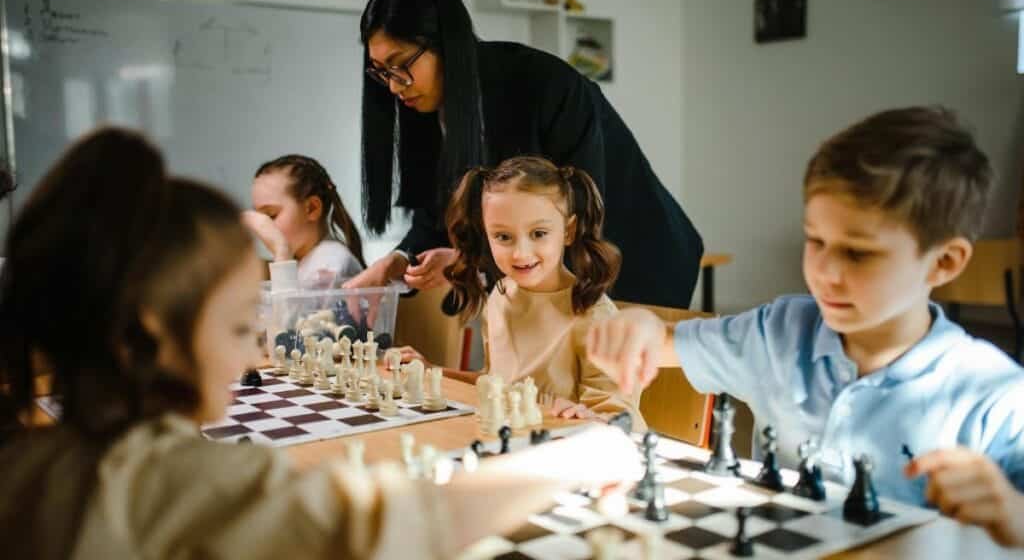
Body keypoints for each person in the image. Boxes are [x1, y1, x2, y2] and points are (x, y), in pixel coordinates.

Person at [0, 128, 641, 560]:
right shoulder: (179, 482)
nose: (259, 342)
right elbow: (384, 528)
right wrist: (582, 460)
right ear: (148, 338)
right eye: (239, 325)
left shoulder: (29, 463)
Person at [583, 107, 1024, 538]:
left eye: (858, 252)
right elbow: (663, 342)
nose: (824, 272)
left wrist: (1014, 513)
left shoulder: (995, 396)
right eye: (815, 240)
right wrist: (641, 328)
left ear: (944, 262)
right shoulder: (778, 333)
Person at [345, 0, 703, 309]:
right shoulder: (424, 108)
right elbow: (435, 211)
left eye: (400, 65)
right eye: (381, 72)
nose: (393, 87)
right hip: (560, 271)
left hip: (637, 260)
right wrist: (402, 259)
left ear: (445, 42)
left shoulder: (544, 87)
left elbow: (574, 220)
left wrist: (469, 263)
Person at [397, 156, 643, 427]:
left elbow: (620, 417)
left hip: (564, 454)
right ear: (486, 234)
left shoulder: (595, 315)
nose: (520, 253)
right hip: (509, 442)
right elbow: (496, 383)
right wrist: (433, 371)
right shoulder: (501, 294)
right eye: (503, 237)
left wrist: (590, 416)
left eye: (538, 233)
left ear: (568, 230)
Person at [243, 154, 365, 289]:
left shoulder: (330, 264)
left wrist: (281, 249)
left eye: (271, 215)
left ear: (312, 209)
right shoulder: (304, 261)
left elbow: (286, 310)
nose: (263, 227)